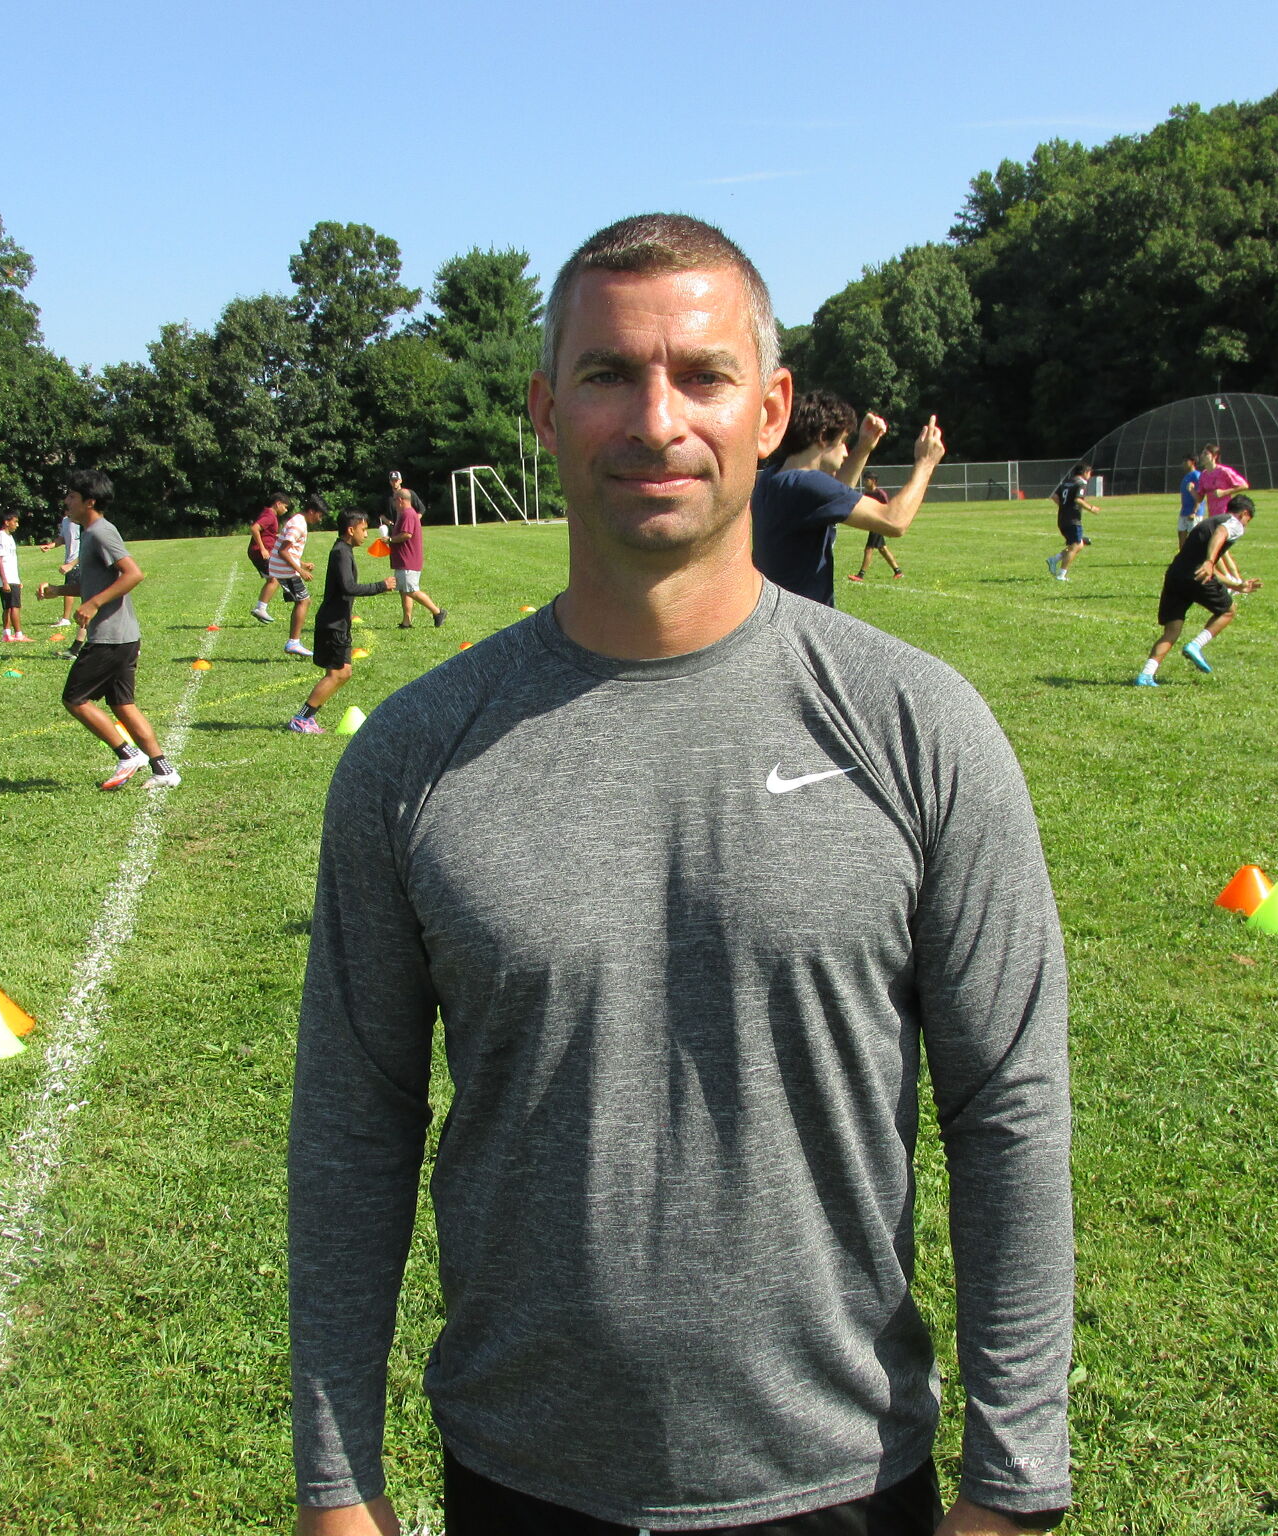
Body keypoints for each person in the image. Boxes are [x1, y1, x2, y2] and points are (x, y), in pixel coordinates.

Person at [289, 212, 1071, 1536]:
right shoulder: (414, 761)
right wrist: (335, 1484)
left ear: (769, 413)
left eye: (701, 375)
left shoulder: (917, 728)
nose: (658, 421)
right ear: (545, 410)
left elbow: (1009, 1108)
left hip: (845, 1480)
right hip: (521, 1477)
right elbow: (353, 1131)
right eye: (608, 376)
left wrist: (1013, 1481)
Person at [34, 468, 180, 790]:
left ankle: (128, 754)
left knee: (75, 699)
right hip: (122, 636)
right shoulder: (89, 533)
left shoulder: (101, 531)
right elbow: (94, 584)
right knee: (122, 705)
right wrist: (60, 591)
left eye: (72, 496)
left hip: (110, 638)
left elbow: (133, 574)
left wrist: (95, 604)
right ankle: (164, 770)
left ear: (90, 501)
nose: (66, 502)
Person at [750, 389, 945, 604]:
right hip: (802, 621)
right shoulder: (805, 484)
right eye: (843, 441)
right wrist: (926, 463)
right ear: (823, 437)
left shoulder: (772, 477)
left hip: (780, 616)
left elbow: (833, 493)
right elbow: (894, 521)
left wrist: (863, 447)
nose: (845, 452)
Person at [1134, 492, 1262, 686]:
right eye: (1248, 521)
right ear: (1244, 513)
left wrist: (1236, 585)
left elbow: (1203, 567)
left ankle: (1145, 675)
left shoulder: (1207, 523)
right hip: (1196, 576)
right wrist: (1211, 561)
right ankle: (1195, 645)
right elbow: (1220, 535)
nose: (1245, 526)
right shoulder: (1232, 523)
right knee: (1228, 611)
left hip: (1175, 575)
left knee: (1172, 630)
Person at [285, 511, 395, 733]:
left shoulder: (343, 550)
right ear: (351, 530)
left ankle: (305, 718)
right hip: (333, 624)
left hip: (338, 622)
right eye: (363, 529)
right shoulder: (340, 553)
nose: (366, 534)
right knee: (337, 674)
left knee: (343, 673)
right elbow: (348, 587)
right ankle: (301, 719)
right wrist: (381, 586)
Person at [271, 494, 324, 657]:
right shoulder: (298, 525)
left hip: (284, 568)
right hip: (285, 570)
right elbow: (283, 551)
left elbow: (289, 550)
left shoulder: (297, 520)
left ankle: (294, 642)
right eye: (320, 515)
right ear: (311, 511)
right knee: (304, 601)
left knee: (302, 601)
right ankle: (293, 642)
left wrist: (302, 563)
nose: (320, 519)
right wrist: (300, 570)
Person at [386, 486, 446, 628]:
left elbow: (407, 534)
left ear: (400, 500)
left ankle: (438, 612)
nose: (394, 504)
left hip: (409, 560)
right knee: (404, 591)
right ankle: (406, 621)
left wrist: (390, 540)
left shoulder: (408, 514)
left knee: (411, 590)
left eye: (394, 500)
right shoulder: (406, 514)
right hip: (403, 560)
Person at [1045, 463, 1099, 580]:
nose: (1090, 476)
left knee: (1078, 545)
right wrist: (1091, 508)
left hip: (1062, 519)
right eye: (1090, 473)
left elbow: (1054, 496)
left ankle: (1054, 560)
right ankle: (1061, 574)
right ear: (1085, 473)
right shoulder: (1081, 483)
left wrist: (1064, 506)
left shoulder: (1066, 482)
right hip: (1073, 520)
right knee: (1075, 546)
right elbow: (1078, 499)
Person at [846, 472, 903, 582]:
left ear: (873, 481)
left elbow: (888, 508)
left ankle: (860, 575)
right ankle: (898, 571)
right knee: (882, 549)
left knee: (869, 549)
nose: (865, 482)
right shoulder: (867, 494)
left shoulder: (880, 493)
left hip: (879, 524)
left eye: (867, 479)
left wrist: (887, 525)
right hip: (873, 524)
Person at [250, 493, 292, 623]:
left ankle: (261, 608)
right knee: (274, 579)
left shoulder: (269, 514)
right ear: (278, 503)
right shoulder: (270, 515)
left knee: (272, 579)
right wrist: (262, 548)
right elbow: (254, 528)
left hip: (261, 552)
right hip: (260, 552)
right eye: (285, 507)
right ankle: (260, 608)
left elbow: (267, 533)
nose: (285, 511)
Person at [0, 509, 32, 643]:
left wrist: (17, 579)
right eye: (15, 521)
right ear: (6, 522)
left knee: (9, 606)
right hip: (7, 578)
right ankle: (18, 634)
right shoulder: (1, 536)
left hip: (12, 578)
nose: (17, 524)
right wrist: (5, 581)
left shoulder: (9, 537)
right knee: (15, 606)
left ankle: (6, 634)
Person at [42, 502, 82, 629]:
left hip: (78, 561)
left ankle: (66, 618)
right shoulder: (65, 522)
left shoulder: (81, 522)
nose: (68, 514)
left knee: (72, 588)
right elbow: (62, 539)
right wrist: (50, 545)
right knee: (72, 588)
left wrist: (72, 563)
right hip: (69, 561)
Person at [1191, 443, 1248, 524]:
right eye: (1202, 453)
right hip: (1212, 515)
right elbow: (1200, 498)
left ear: (1214, 456)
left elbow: (1244, 485)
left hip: (1226, 513)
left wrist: (1224, 492)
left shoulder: (1223, 471)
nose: (1202, 456)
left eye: (1206, 454)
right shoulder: (1203, 475)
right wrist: (1191, 489)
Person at [1175, 456, 1203, 550]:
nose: (1183, 463)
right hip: (1184, 511)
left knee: (1194, 538)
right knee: (1181, 534)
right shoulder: (1186, 476)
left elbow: (1200, 495)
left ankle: (1196, 560)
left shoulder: (1196, 475)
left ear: (1192, 462)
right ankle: (1182, 560)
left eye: (1185, 461)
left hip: (1194, 513)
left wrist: (1194, 511)